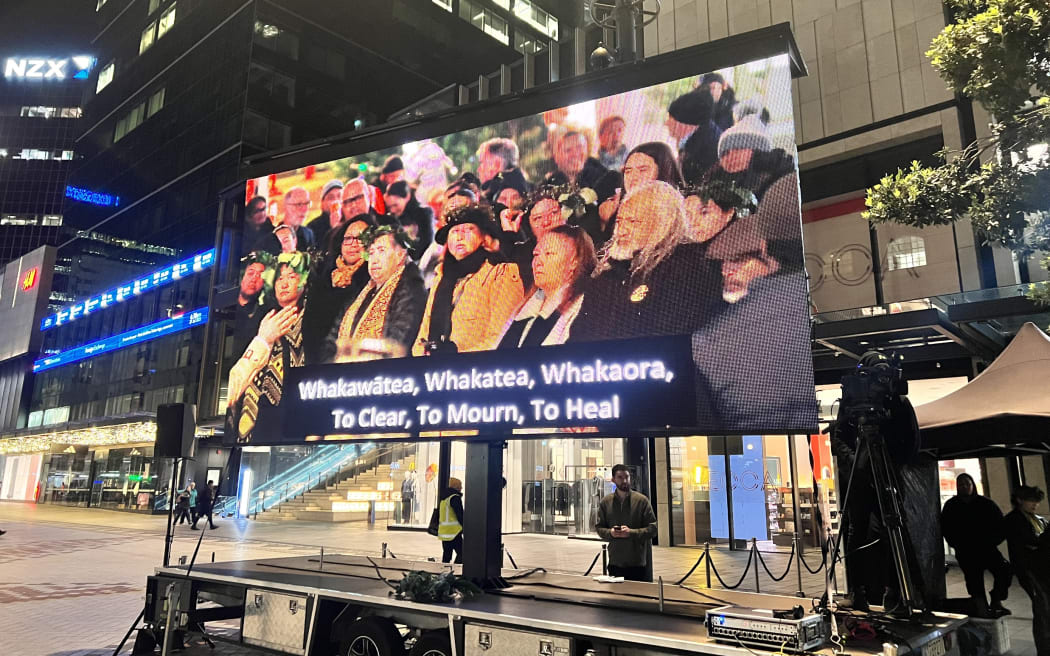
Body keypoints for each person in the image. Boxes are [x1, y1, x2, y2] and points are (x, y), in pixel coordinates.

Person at [570, 180, 724, 342]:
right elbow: (578, 335)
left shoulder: (688, 267)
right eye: (619, 221)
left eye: (633, 222)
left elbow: (670, 338)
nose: (620, 231)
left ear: (662, 222)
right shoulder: (607, 274)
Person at [413, 205, 524, 355]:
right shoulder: (441, 278)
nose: (459, 237)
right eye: (454, 232)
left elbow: (501, 339)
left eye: (468, 230)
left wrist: (455, 357)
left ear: (484, 237)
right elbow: (421, 338)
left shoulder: (500, 273)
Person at [227, 255, 309, 442]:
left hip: (294, 420)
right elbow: (236, 378)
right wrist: (264, 339)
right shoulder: (260, 319)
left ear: (303, 282)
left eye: (292, 277)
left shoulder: (310, 319)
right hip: (256, 422)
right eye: (280, 278)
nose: (284, 284)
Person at [325, 225, 426, 362]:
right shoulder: (363, 291)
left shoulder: (411, 287)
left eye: (381, 251)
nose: (375, 259)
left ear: (400, 254)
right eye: (371, 253)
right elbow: (332, 340)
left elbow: (399, 341)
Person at [498, 225, 597, 348]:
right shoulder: (527, 305)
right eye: (536, 254)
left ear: (573, 262)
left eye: (549, 253)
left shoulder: (584, 305)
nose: (538, 262)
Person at [302, 215, 374, 364]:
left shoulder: (373, 280)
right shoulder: (324, 279)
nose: (353, 244)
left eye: (361, 238)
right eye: (348, 238)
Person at [941, 473, 1012, 617]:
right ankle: (981, 606)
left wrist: (992, 541)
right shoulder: (952, 505)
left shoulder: (985, 503)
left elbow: (1000, 525)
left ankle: (996, 599)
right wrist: (956, 544)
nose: (965, 487)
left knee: (1004, 571)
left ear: (973, 485)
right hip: (966, 551)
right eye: (961, 485)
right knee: (974, 580)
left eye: (967, 484)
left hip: (987, 548)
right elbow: (946, 527)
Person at [598, 142, 685, 246]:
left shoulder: (673, 214)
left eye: (642, 170)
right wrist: (603, 223)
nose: (633, 178)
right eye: (628, 171)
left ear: (663, 171)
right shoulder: (616, 208)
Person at [703, 113, 795, 202]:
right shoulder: (717, 180)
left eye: (736, 148)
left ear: (753, 150)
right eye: (724, 153)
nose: (729, 157)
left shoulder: (775, 171)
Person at [1005, 486, 1050, 654]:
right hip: (1029, 570)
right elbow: (1030, 543)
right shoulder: (1014, 520)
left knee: (1044, 610)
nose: (1035, 505)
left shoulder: (1036, 519)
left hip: (1042, 570)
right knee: (1042, 610)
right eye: (1031, 501)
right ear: (1019, 500)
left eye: (1037, 502)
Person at [595, 465, 657, 582]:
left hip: (637, 563)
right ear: (613, 479)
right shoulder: (606, 502)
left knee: (638, 597)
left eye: (627, 477)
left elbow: (653, 529)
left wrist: (630, 533)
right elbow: (599, 528)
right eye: (620, 477)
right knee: (616, 598)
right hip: (615, 562)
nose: (624, 480)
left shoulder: (642, 501)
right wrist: (611, 533)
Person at [666, 90, 723, 185]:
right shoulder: (698, 137)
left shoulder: (706, 151)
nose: (666, 123)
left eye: (671, 119)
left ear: (685, 123)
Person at [384, 180, 434, 261]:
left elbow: (426, 243)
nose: (392, 210)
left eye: (395, 205)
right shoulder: (392, 219)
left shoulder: (424, 214)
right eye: (389, 207)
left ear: (407, 197)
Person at [438, 477, 464, 564]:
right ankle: (455, 571)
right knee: (462, 553)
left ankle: (444, 574)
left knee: (447, 555)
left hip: (444, 532)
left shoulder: (444, 498)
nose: (461, 488)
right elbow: (460, 515)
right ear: (456, 486)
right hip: (454, 532)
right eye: (460, 485)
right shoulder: (455, 498)